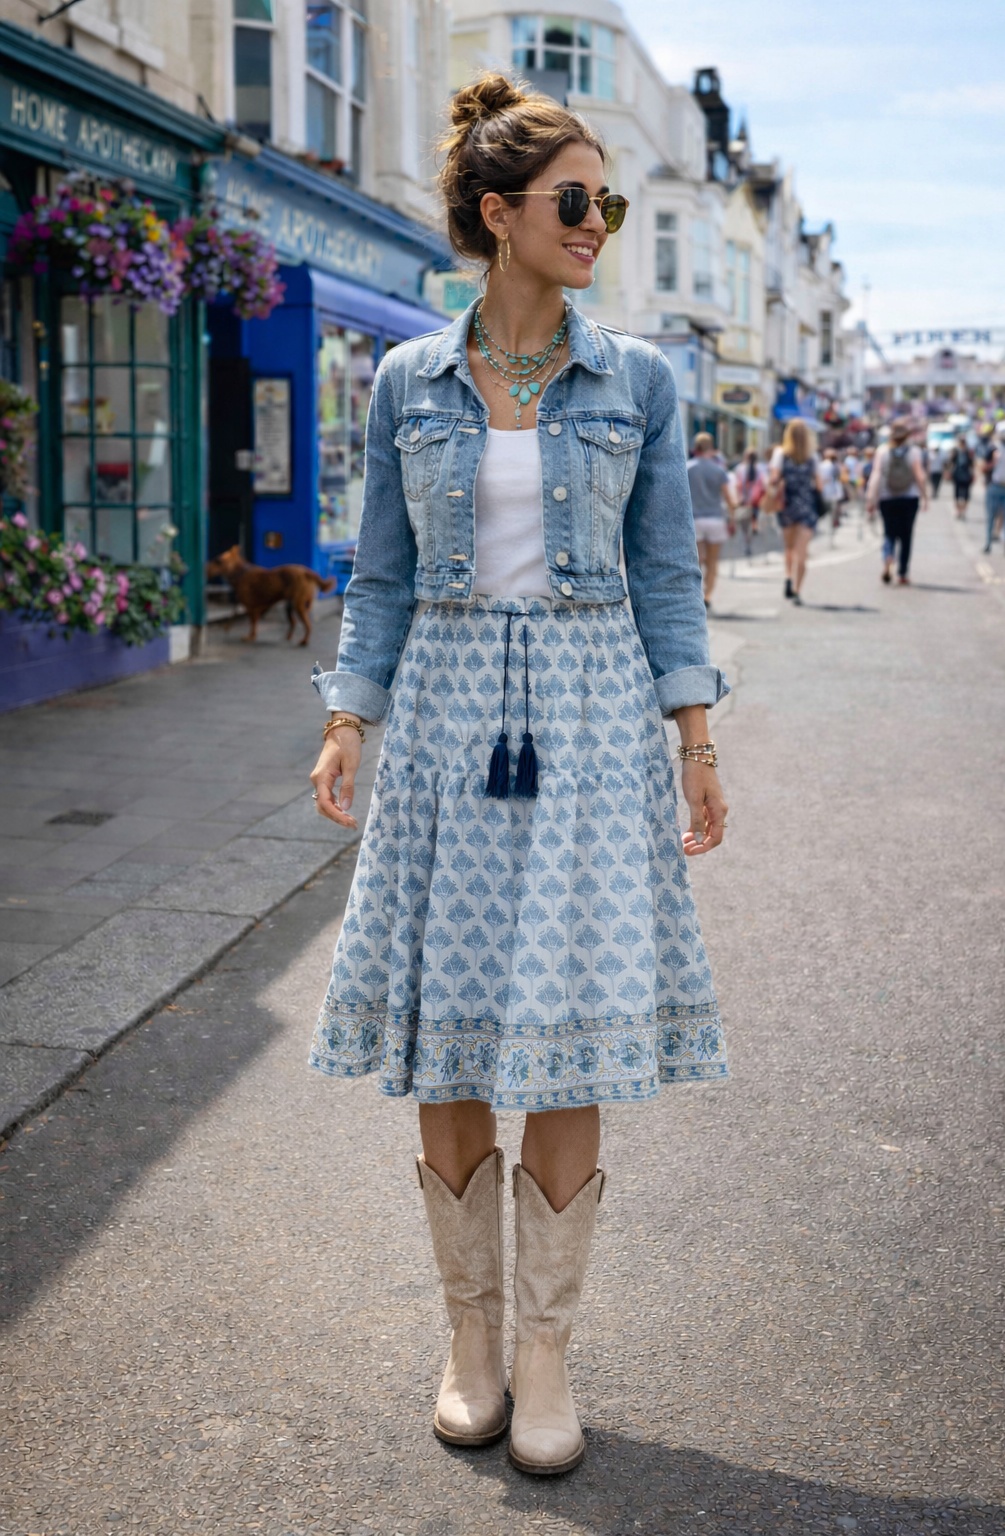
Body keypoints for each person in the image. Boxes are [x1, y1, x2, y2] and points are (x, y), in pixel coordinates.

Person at [306, 74, 729, 1478]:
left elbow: (669, 571)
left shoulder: (643, 380)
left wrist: (696, 736)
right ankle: (471, 1339)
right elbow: (378, 572)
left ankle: (546, 1352)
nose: (598, 220)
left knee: (569, 1027)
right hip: (439, 714)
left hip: (595, 717)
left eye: (607, 198)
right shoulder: (408, 382)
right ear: (500, 215)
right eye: (575, 199)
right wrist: (348, 717)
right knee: (449, 1028)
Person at [766, 418, 823, 605]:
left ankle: (788, 576)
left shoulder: (780, 454)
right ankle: (797, 590)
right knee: (802, 552)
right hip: (807, 508)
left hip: (787, 506)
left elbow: (774, 479)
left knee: (788, 547)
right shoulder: (812, 457)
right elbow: (820, 485)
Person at [867, 418, 929, 584]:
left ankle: (888, 558)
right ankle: (902, 572)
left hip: (887, 498)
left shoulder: (882, 451)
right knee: (906, 535)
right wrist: (925, 497)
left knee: (889, 532)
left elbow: (876, 476)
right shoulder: (914, 451)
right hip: (910, 498)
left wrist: (871, 499)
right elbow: (920, 476)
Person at [688, 431, 738, 605]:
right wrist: (733, 519)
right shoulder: (718, 470)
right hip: (715, 519)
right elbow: (729, 499)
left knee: (697, 560)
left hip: (694, 520)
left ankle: (695, 593)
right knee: (713, 561)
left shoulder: (687, 468)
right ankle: (707, 595)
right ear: (712, 448)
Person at [983, 422, 1005, 555]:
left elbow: (984, 468)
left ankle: (990, 543)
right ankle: (1002, 543)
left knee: (993, 516)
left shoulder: (995, 449)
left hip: (999, 487)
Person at [732, 446, 763, 557]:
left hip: (744, 500)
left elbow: (737, 485)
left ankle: (747, 543)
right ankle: (754, 528)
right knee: (753, 519)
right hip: (755, 501)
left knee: (744, 525)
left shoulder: (739, 468)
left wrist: (738, 497)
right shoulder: (759, 468)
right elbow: (762, 485)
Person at [947, 435, 974, 519]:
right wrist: (948, 472)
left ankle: (963, 511)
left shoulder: (968, 451)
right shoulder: (955, 450)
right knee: (957, 494)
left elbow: (972, 464)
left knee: (966, 495)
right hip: (957, 474)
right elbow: (951, 462)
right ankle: (958, 511)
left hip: (966, 475)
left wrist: (973, 474)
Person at [820, 447, 843, 537]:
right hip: (834, 491)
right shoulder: (835, 465)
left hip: (826, 491)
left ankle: (830, 529)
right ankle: (833, 526)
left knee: (829, 512)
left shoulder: (823, 465)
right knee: (833, 511)